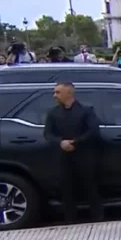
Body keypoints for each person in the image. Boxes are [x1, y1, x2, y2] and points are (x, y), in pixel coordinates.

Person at [42, 82, 103, 223]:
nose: (54, 95)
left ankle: (97, 216)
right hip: (63, 157)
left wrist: (76, 142)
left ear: (69, 93)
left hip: (84, 155)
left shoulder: (86, 110)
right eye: (54, 92)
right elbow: (47, 134)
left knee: (90, 186)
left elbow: (93, 131)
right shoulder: (53, 112)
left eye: (58, 92)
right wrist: (60, 142)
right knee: (66, 189)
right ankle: (70, 219)